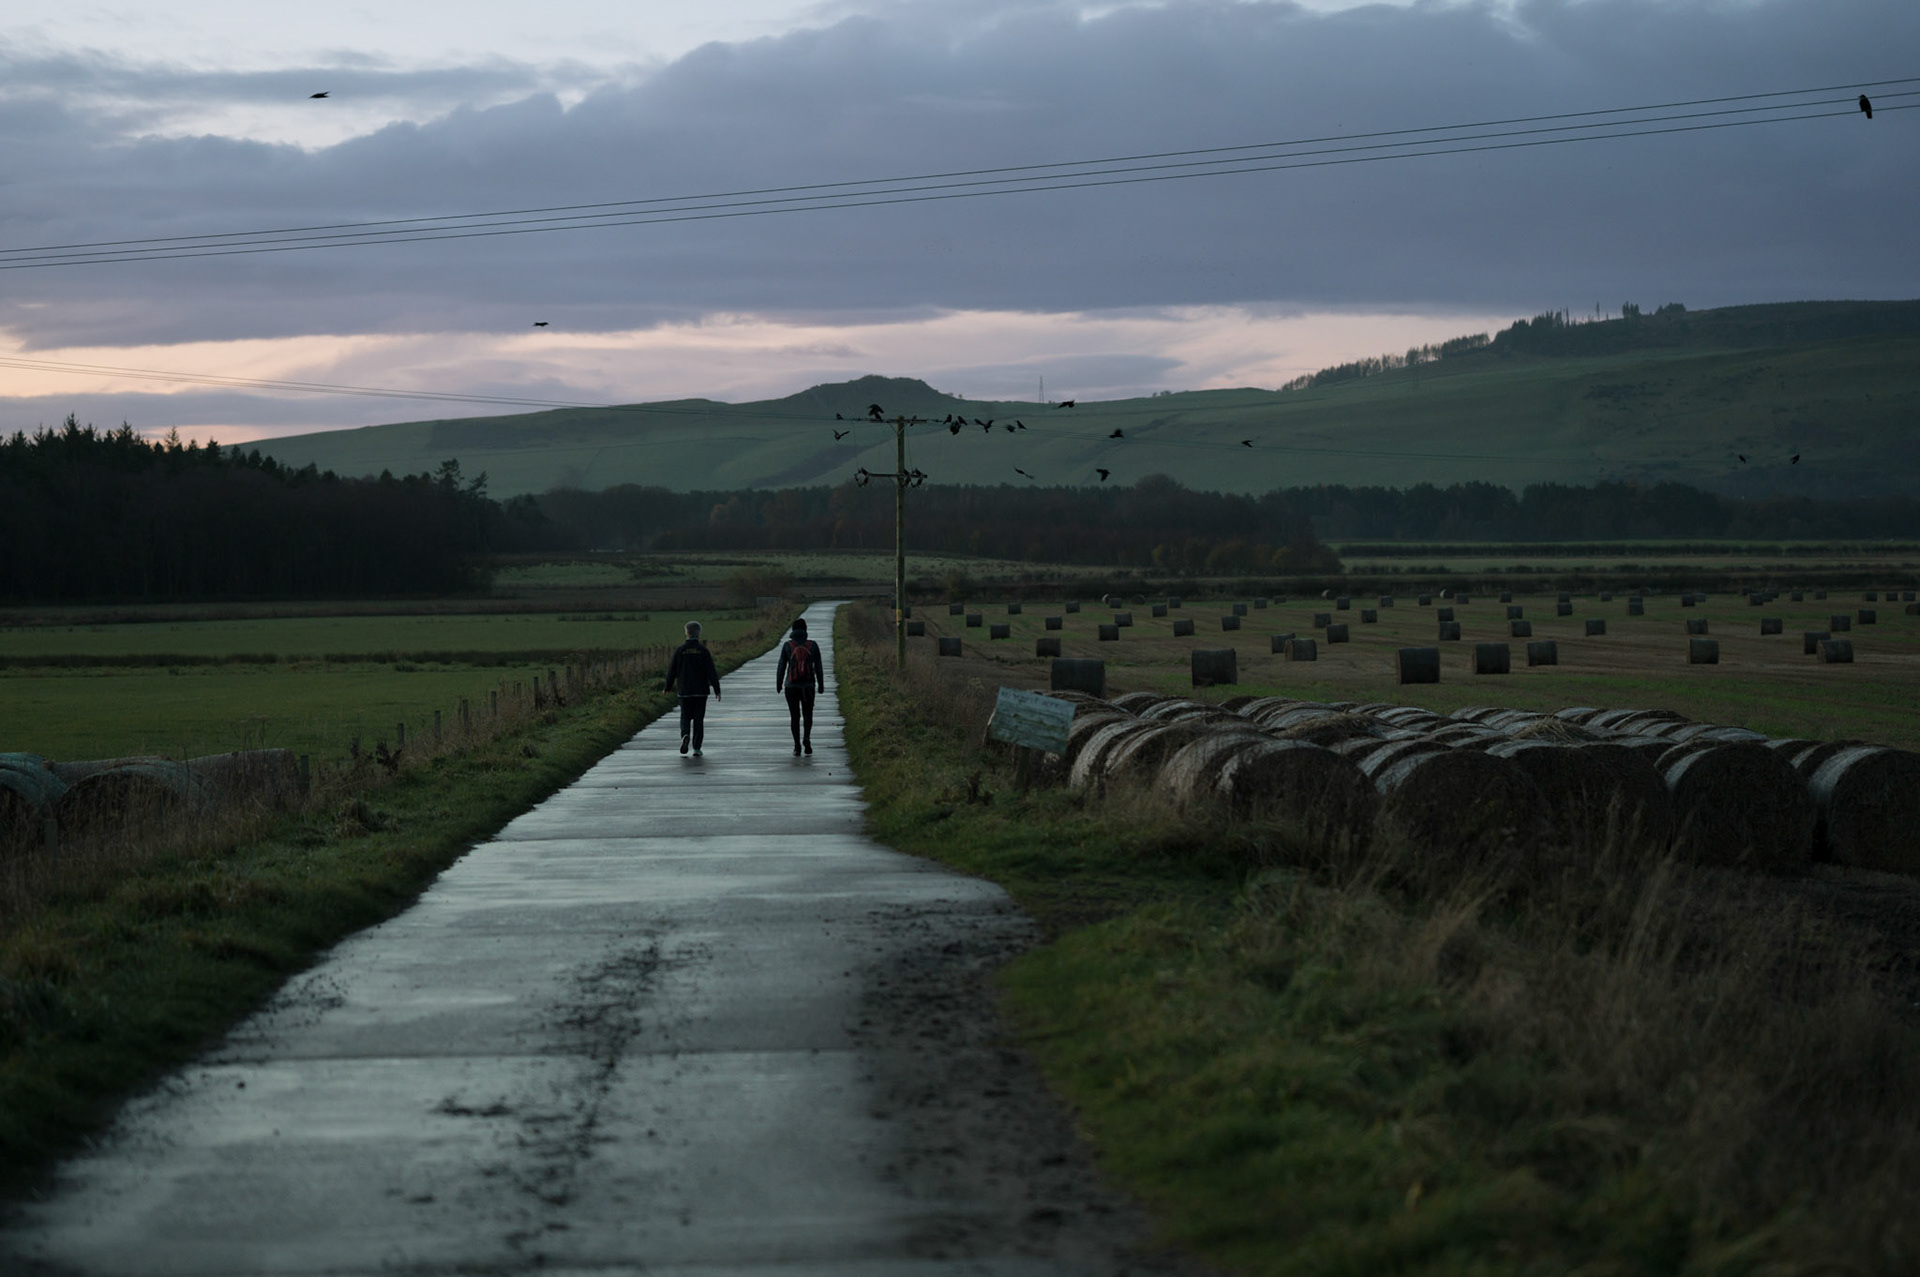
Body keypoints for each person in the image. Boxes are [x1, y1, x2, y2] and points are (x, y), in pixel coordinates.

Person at [663, 620, 721, 756]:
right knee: (698, 719)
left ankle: (685, 735)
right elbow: (711, 672)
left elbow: (672, 671)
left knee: (685, 716)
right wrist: (717, 690)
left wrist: (667, 686)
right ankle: (696, 748)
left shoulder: (680, 651)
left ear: (686, 633)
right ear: (699, 634)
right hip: (701, 691)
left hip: (684, 690)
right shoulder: (703, 651)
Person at [775, 617, 825, 756]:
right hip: (808, 686)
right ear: (805, 630)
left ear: (792, 630)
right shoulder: (813, 645)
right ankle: (807, 739)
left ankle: (797, 746)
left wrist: (779, 684)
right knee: (808, 714)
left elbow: (781, 667)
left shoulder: (787, 646)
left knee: (794, 716)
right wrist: (821, 684)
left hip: (791, 686)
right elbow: (819, 667)